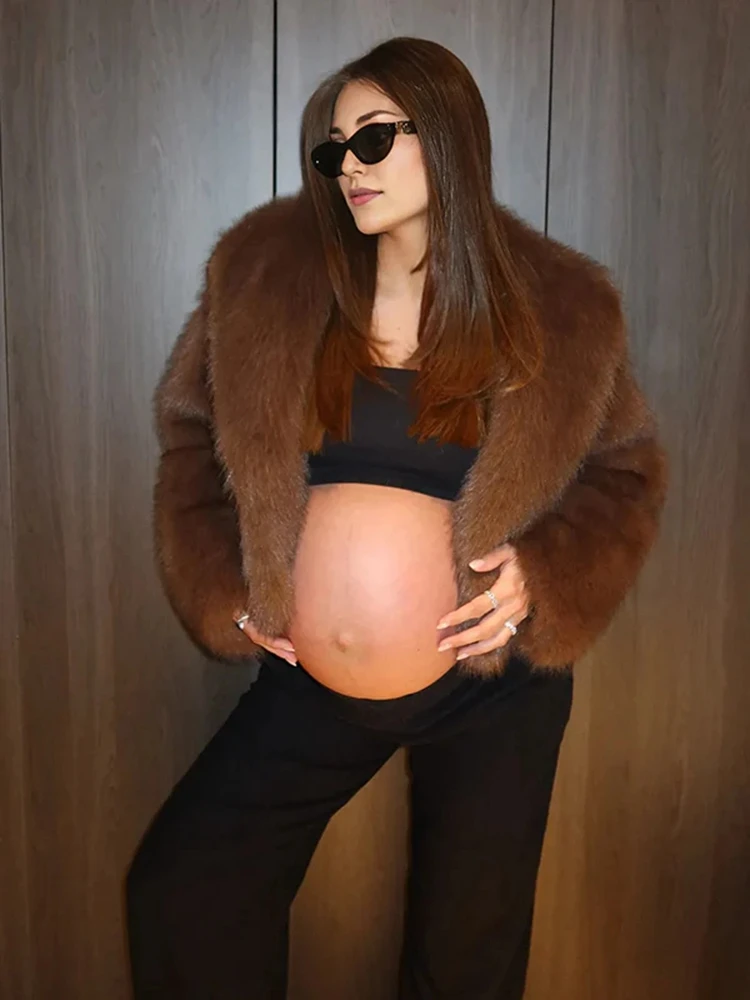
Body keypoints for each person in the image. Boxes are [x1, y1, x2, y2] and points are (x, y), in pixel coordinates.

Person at [125, 36, 668, 999]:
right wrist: (227, 589)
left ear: (448, 134)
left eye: (373, 137)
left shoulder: (563, 305)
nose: (349, 167)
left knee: (468, 955)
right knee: (187, 887)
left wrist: (542, 576)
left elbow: (624, 473)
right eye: (334, 148)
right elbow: (192, 440)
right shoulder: (267, 276)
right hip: (314, 681)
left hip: (491, 683)